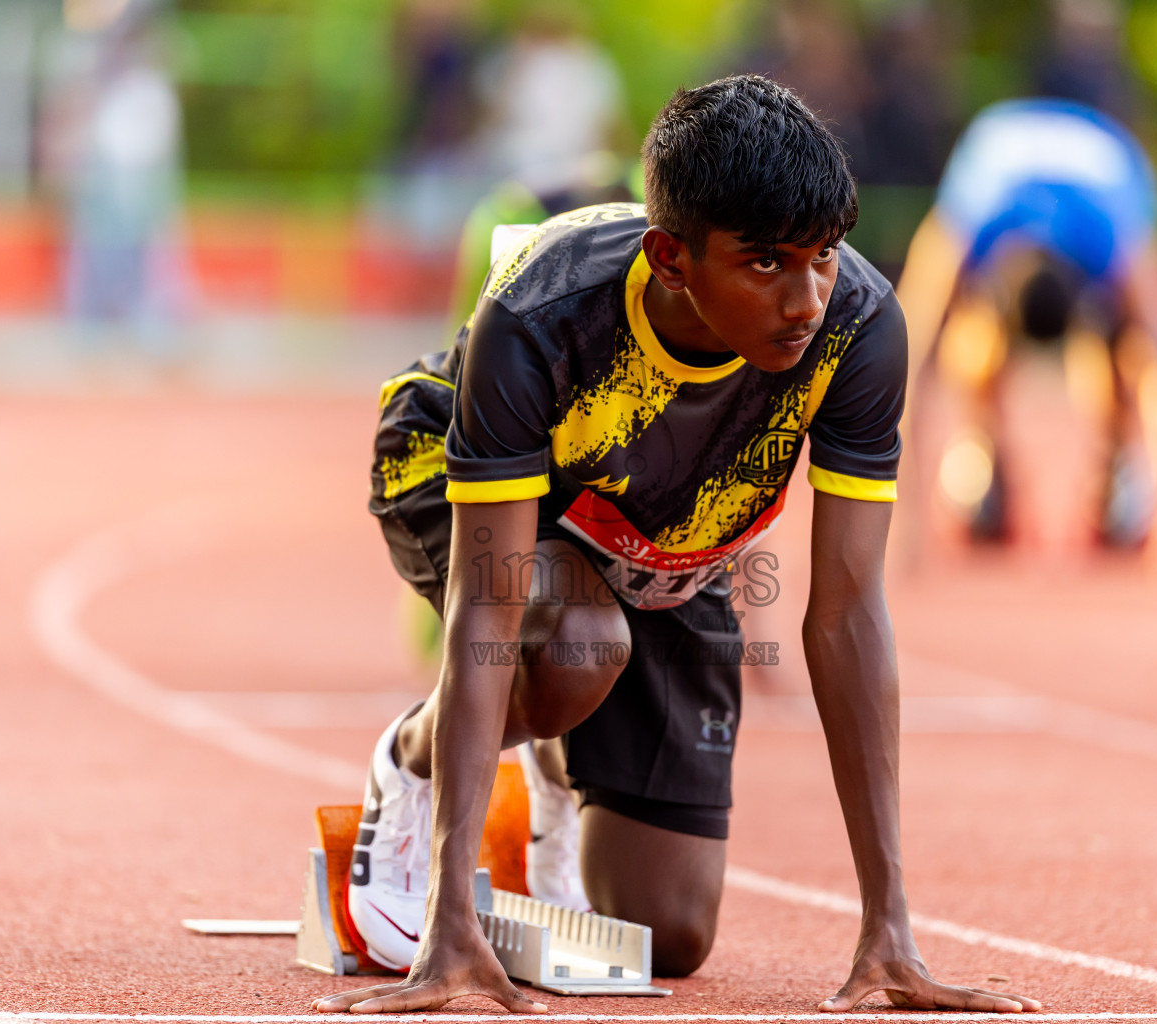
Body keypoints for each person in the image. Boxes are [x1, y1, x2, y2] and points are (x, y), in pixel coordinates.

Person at [314, 75, 1042, 1015]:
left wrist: (887, 927)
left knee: (670, 931)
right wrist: (450, 920)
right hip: (473, 480)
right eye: (767, 263)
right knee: (578, 643)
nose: (805, 297)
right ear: (671, 258)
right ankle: (409, 760)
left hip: (669, 539)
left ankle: (552, 765)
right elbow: (487, 603)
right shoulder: (544, 313)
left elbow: (850, 610)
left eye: (823, 256)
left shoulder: (860, 329)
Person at [896, 98, 1157, 567]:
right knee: (974, 348)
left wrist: (900, 534)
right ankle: (983, 454)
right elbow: (903, 359)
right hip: (1047, 173)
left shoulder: (1114, 233)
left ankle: (1114, 466)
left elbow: (903, 365)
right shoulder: (972, 217)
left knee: (1127, 355)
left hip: (1097, 180)